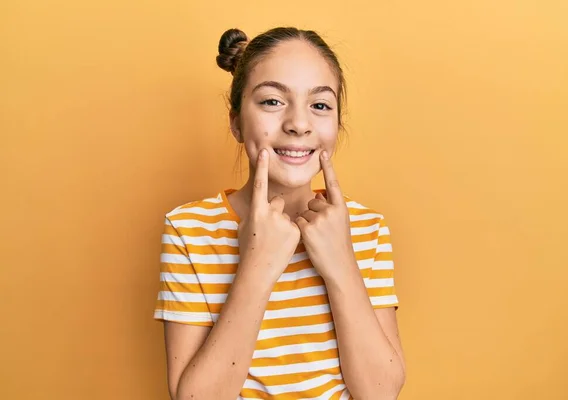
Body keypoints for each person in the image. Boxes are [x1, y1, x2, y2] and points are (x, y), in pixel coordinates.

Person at [154, 26, 406, 400]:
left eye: (319, 105)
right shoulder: (188, 230)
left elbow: (381, 393)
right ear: (236, 121)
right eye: (272, 101)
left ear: (337, 124)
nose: (298, 124)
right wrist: (257, 267)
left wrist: (341, 263)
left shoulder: (368, 228)